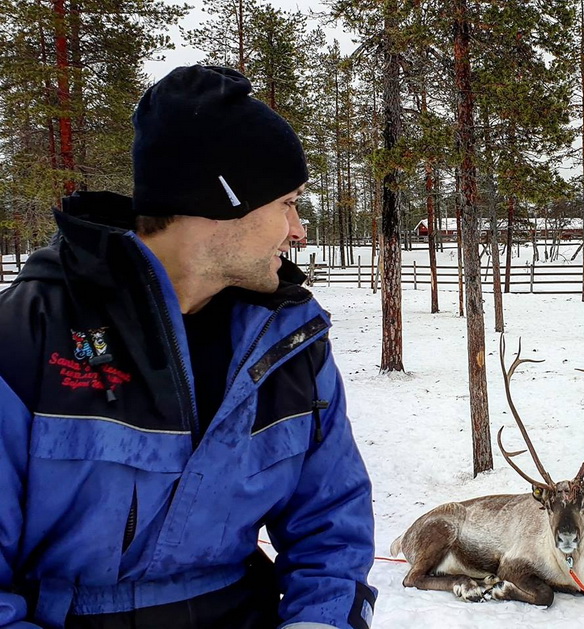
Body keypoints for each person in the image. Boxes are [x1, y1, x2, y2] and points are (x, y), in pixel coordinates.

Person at [0, 66, 375, 629]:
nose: (298, 230)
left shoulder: (288, 344)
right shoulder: (29, 337)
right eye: (287, 204)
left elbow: (332, 522)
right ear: (221, 200)